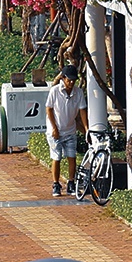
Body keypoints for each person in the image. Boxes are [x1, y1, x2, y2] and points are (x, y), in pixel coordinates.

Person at [45, 64, 86, 197]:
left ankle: (71, 183)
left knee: (72, 157)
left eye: (74, 80)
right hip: (55, 131)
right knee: (56, 157)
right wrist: (54, 128)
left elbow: (82, 111)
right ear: (63, 78)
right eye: (69, 80)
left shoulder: (78, 92)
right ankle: (56, 184)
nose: (71, 83)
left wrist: (86, 129)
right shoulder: (55, 91)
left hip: (70, 130)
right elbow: (49, 109)